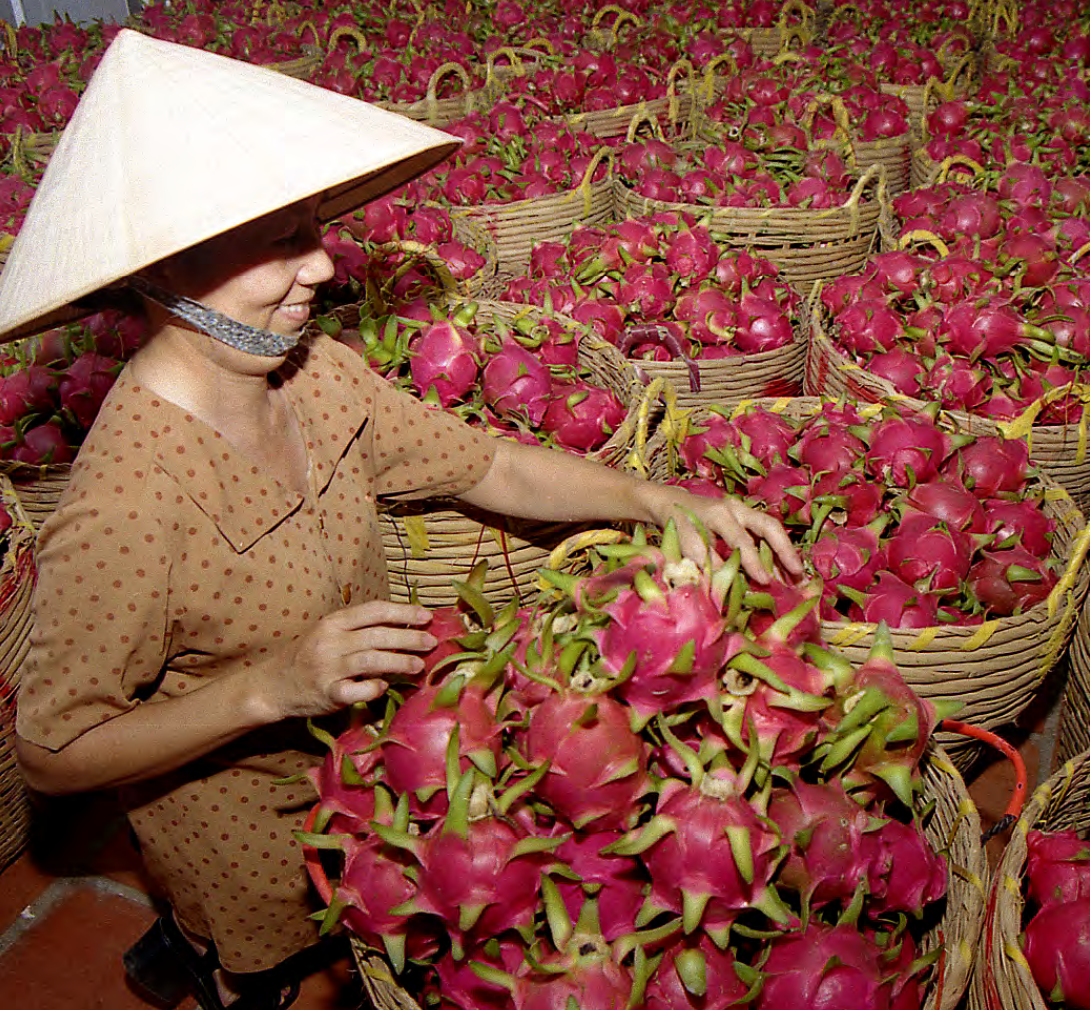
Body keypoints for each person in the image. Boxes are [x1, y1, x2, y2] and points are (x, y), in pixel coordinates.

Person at [1, 29, 803, 1010]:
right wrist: (266, 686)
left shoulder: (314, 373)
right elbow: (54, 746)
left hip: (365, 758)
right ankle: (201, 953)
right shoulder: (125, 501)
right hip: (238, 824)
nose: (325, 266)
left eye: (314, 227)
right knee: (268, 960)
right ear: (169, 270)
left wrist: (656, 496)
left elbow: (491, 462)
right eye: (282, 240)